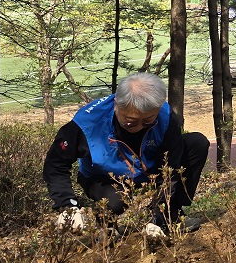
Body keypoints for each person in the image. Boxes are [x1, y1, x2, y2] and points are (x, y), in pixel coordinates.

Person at [43, 72, 209, 240]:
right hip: (105, 178)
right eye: (130, 121)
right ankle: (106, 225)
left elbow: (171, 167)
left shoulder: (165, 116)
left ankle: (170, 217)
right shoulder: (87, 123)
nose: (138, 127)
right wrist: (67, 206)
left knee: (197, 143)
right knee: (115, 201)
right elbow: (55, 163)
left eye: (148, 121)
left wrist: (159, 215)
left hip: (147, 171)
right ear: (116, 105)